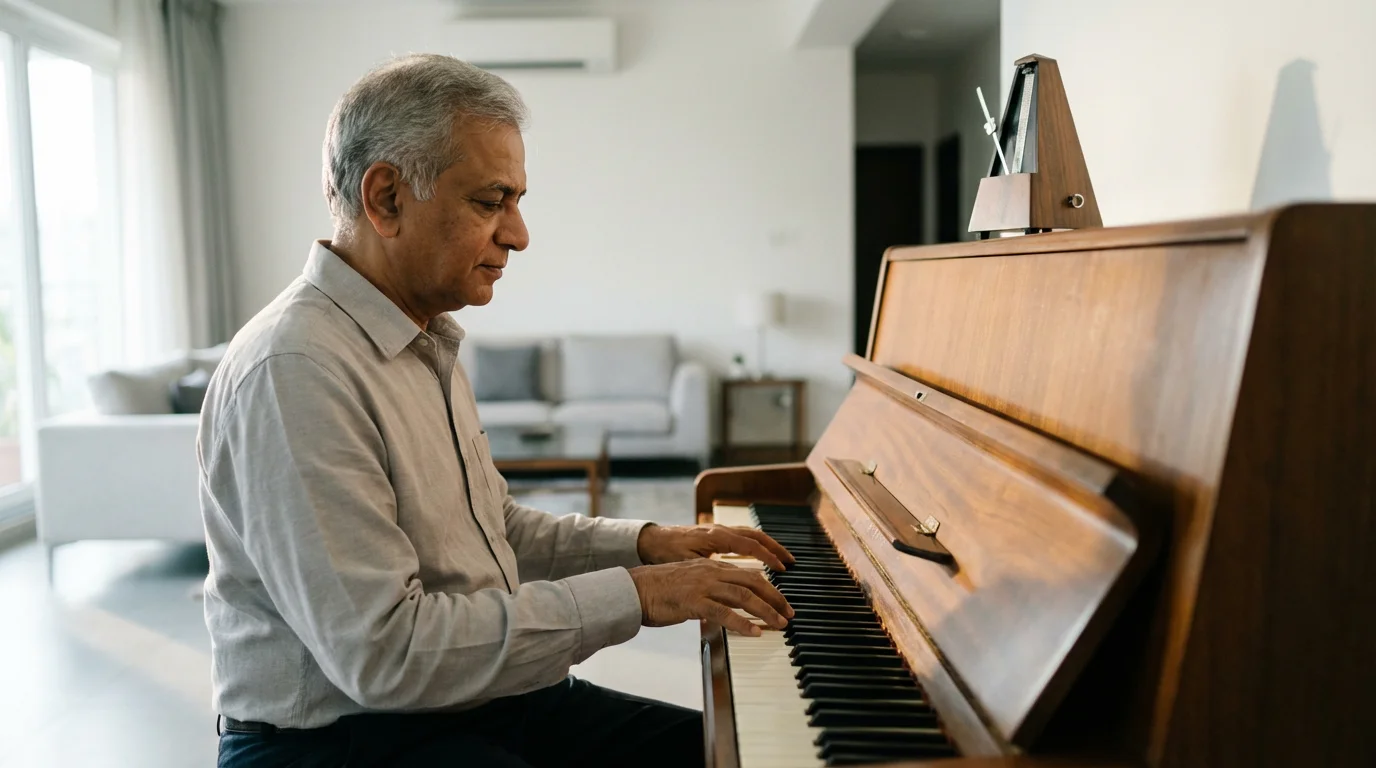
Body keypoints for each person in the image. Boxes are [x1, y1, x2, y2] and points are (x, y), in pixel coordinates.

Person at [199, 53, 795, 768]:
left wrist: (646, 543)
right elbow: (386, 655)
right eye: (491, 202)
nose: (518, 234)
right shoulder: (296, 369)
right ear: (386, 197)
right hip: (343, 740)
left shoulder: (423, 335)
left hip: (476, 704)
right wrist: (637, 594)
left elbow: (495, 531)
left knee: (749, 755)